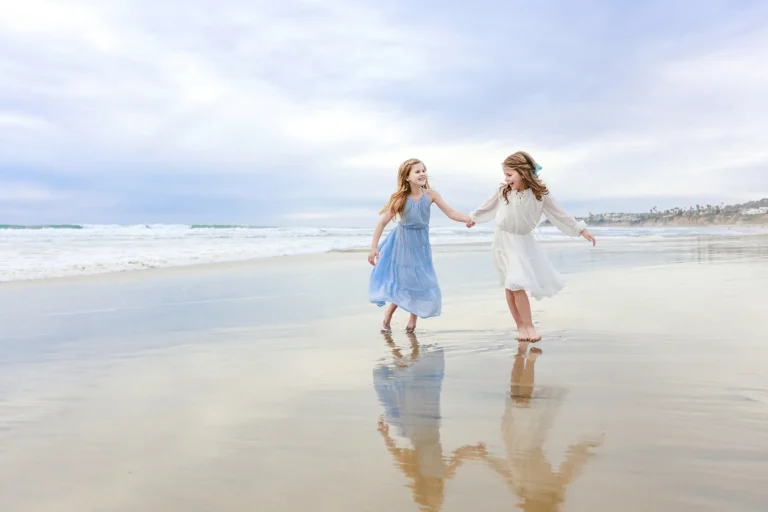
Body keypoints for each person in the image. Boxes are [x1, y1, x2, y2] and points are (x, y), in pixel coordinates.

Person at [467, 151, 596, 341]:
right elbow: (487, 206)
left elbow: (559, 213)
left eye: (509, 175)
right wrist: (473, 219)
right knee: (512, 285)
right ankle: (522, 326)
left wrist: (580, 229)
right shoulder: (504, 190)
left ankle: (528, 325)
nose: (506, 179)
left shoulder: (540, 194)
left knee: (516, 283)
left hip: (523, 241)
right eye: (505, 175)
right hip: (504, 240)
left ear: (523, 172)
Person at [369, 158, 472, 332]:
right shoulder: (400, 199)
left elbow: (451, 212)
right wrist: (374, 248)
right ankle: (388, 315)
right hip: (402, 244)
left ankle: (412, 319)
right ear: (407, 177)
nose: (422, 173)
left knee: (420, 279)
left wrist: (467, 219)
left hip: (421, 244)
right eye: (417, 171)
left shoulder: (431, 195)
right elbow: (382, 223)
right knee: (405, 280)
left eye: (423, 170)